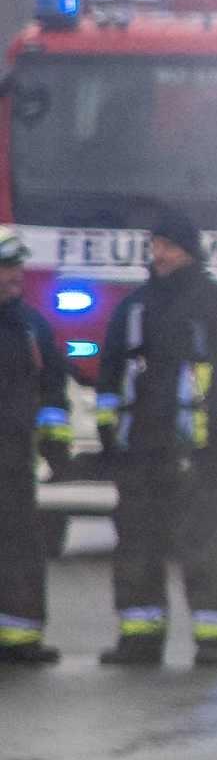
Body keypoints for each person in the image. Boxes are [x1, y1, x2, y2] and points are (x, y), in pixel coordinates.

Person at [102, 212, 217, 668]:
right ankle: (139, 638)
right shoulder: (134, 308)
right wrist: (109, 433)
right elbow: (112, 373)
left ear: (190, 250)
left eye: (169, 246)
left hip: (203, 454)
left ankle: (213, 640)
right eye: (155, 246)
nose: (160, 254)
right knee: (136, 547)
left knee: (209, 547)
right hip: (142, 453)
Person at [0, 232, 56, 666]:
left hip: (15, 458)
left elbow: (53, 385)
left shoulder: (30, 325)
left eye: (16, 265)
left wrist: (56, 438)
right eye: (5, 266)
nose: (13, 275)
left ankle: (20, 638)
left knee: (20, 546)